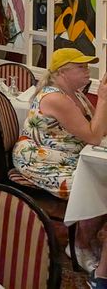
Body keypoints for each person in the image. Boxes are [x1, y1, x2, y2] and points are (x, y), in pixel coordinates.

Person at [12, 48, 107, 282]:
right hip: (40, 159)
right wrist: (104, 98)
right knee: (98, 187)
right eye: (81, 68)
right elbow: (94, 137)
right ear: (63, 72)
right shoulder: (55, 97)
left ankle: (83, 240)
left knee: (102, 181)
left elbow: (98, 128)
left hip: (67, 155)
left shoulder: (77, 94)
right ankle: (80, 245)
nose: (88, 72)